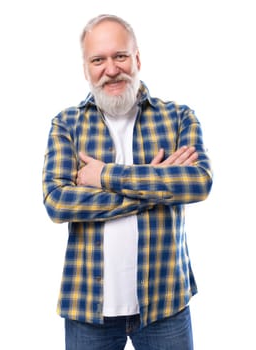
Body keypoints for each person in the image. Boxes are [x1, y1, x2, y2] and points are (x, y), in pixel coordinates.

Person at [42, 14, 213, 350]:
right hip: (88, 307)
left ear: (136, 58)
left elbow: (199, 182)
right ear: (86, 68)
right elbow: (57, 201)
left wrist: (104, 175)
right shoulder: (67, 124)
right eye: (98, 60)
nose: (111, 69)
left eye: (119, 56)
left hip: (166, 304)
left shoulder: (178, 117)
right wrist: (159, 187)